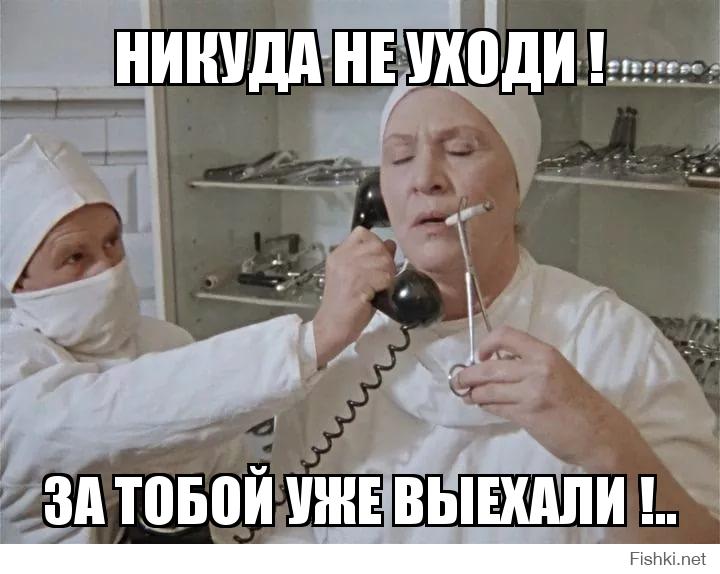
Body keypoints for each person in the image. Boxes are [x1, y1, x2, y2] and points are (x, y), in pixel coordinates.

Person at [263, 81, 720, 543]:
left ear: (517, 181)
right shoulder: (340, 352)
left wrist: (606, 445)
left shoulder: (613, 344)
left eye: (460, 150)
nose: (425, 178)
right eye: (400, 157)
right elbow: (286, 535)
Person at [0, 133, 397, 543]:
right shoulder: (13, 370)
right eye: (75, 257)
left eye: (112, 241)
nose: (106, 269)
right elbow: (112, 413)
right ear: (19, 280)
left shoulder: (165, 342)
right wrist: (315, 339)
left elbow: (229, 487)